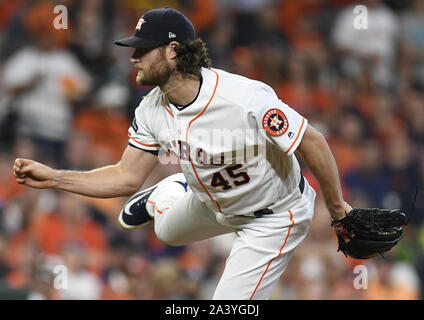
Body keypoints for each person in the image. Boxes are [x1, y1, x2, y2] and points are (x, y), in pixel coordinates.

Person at [13, 7, 352, 300]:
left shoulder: (242, 97)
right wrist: (55, 178)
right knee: (166, 233)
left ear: (172, 51)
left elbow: (313, 141)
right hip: (214, 198)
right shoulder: (150, 109)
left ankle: (174, 189)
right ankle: (170, 190)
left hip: (273, 215)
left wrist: (337, 209)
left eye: (143, 50)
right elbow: (125, 176)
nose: (133, 58)